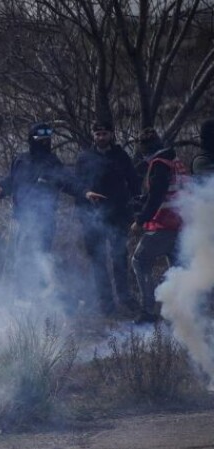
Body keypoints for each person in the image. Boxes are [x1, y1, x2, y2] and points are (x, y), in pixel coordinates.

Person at [75, 123, 138, 315]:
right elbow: (77, 185)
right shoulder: (84, 157)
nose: (101, 137)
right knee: (98, 260)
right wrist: (85, 199)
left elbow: (134, 183)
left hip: (118, 215)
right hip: (92, 217)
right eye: (98, 134)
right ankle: (106, 303)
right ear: (93, 135)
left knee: (119, 257)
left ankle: (125, 297)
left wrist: (135, 211)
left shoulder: (121, 156)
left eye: (104, 133)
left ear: (111, 134)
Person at [130, 129, 189, 324]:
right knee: (176, 270)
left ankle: (148, 311)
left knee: (139, 261)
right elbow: (167, 190)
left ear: (145, 149)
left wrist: (140, 221)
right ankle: (178, 314)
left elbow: (156, 197)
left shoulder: (159, 164)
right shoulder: (175, 160)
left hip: (164, 224)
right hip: (183, 223)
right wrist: (140, 200)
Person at [0, 123, 76, 256]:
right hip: (21, 219)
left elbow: (67, 182)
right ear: (32, 140)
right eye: (40, 140)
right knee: (21, 258)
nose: (44, 143)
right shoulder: (21, 160)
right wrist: (0, 187)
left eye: (47, 140)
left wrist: (85, 192)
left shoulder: (53, 162)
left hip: (44, 221)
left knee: (40, 258)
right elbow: (12, 180)